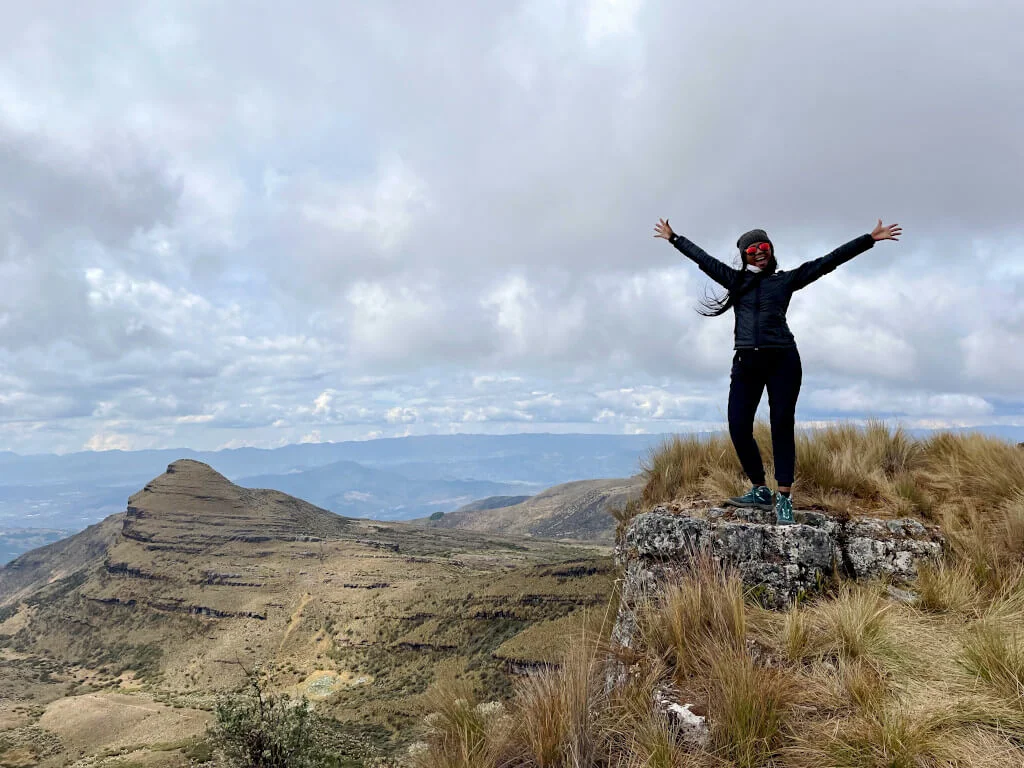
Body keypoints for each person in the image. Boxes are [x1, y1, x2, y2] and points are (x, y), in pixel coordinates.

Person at [652, 218, 902, 524]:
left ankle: (783, 497)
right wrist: (674, 238)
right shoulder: (735, 281)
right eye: (752, 248)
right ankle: (759, 489)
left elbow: (828, 262)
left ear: (771, 249)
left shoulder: (785, 281)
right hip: (746, 362)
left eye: (764, 246)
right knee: (738, 425)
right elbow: (703, 259)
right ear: (744, 254)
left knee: (781, 424)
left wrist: (869, 238)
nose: (759, 252)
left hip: (783, 360)